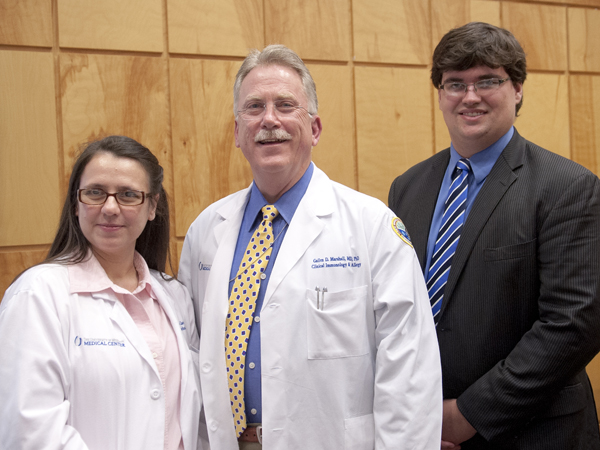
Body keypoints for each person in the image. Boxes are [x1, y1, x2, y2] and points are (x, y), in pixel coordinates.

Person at [179, 44, 442, 450]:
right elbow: (192, 360)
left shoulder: (371, 227)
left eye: (286, 105)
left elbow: (410, 372)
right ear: (236, 132)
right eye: (253, 107)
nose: (269, 120)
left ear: (315, 129)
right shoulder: (205, 232)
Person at [388, 22, 600, 449]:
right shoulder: (406, 188)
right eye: (455, 83)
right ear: (440, 93)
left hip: (534, 432)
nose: (470, 96)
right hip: (421, 426)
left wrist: (467, 415)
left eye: (488, 80)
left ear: (517, 88)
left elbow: (573, 323)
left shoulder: (567, 187)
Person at [0, 136, 204, 450]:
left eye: (128, 195)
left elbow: (190, 416)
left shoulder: (173, 295)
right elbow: (32, 433)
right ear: (75, 203)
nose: (110, 208)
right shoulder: (38, 295)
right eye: (95, 193)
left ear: (152, 206)